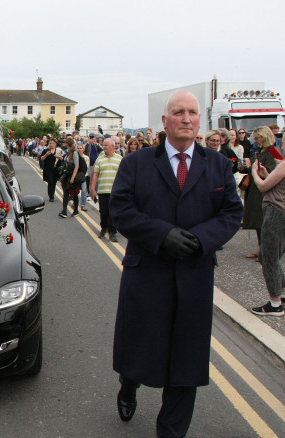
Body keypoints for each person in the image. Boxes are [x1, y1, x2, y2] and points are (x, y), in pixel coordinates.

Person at [109, 91, 243, 437]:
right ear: (165, 122)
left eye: (193, 113)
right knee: (140, 344)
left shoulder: (218, 165)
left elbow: (232, 213)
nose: (186, 118)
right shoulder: (136, 163)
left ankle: (170, 430)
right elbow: (121, 209)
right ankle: (129, 384)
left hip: (194, 275)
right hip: (147, 273)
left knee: (187, 356)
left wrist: (201, 239)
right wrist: (161, 235)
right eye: (178, 112)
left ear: (200, 121)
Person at [250, 158, 285, 316]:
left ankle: (275, 304)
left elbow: (263, 187)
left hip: (276, 211)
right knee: (268, 255)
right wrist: (268, 174)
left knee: (269, 256)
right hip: (281, 211)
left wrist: (254, 172)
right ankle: (281, 292)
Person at [240, 126, 278, 261]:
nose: (255, 141)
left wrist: (255, 169)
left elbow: (276, 170)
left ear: (265, 136)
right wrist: (246, 168)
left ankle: (265, 250)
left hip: (265, 189)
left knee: (264, 222)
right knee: (258, 221)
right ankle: (261, 248)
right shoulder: (260, 151)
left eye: (257, 138)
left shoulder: (274, 152)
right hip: (256, 189)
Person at [90, 137, 122, 242]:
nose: (104, 147)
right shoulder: (100, 159)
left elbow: (122, 176)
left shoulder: (119, 159)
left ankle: (112, 232)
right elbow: (96, 175)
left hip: (115, 191)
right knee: (103, 212)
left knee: (113, 212)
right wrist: (93, 188)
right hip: (103, 190)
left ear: (112, 146)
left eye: (106, 145)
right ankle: (104, 228)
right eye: (103, 145)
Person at [59, 138, 85, 218]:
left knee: (74, 194)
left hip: (72, 176)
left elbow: (76, 166)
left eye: (65, 143)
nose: (63, 144)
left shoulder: (74, 153)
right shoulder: (68, 152)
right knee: (66, 194)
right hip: (66, 176)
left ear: (68, 144)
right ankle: (64, 211)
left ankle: (76, 211)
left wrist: (73, 178)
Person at [40, 138, 62, 202]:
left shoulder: (58, 151)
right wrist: (46, 155)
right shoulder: (46, 150)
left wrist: (59, 157)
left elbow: (62, 159)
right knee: (50, 182)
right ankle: (51, 196)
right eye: (50, 143)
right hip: (48, 169)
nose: (51, 144)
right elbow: (41, 159)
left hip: (56, 169)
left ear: (55, 144)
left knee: (54, 182)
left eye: (52, 143)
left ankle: (52, 193)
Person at [76, 143, 90, 211]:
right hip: (76, 176)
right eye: (78, 148)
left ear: (83, 149)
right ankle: (75, 203)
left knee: (84, 191)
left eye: (81, 148)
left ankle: (83, 205)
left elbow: (86, 167)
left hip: (83, 176)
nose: (79, 150)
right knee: (75, 190)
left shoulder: (86, 158)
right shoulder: (74, 157)